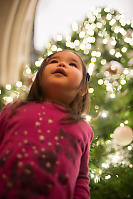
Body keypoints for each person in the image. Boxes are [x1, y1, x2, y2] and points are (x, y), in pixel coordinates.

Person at [0, 50, 94, 199]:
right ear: (39, 78)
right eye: (53, 61)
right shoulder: (13, 110)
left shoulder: (83, 128)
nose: (61, 64)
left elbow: (81, 178)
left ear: (83, 88)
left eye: (72, 64)